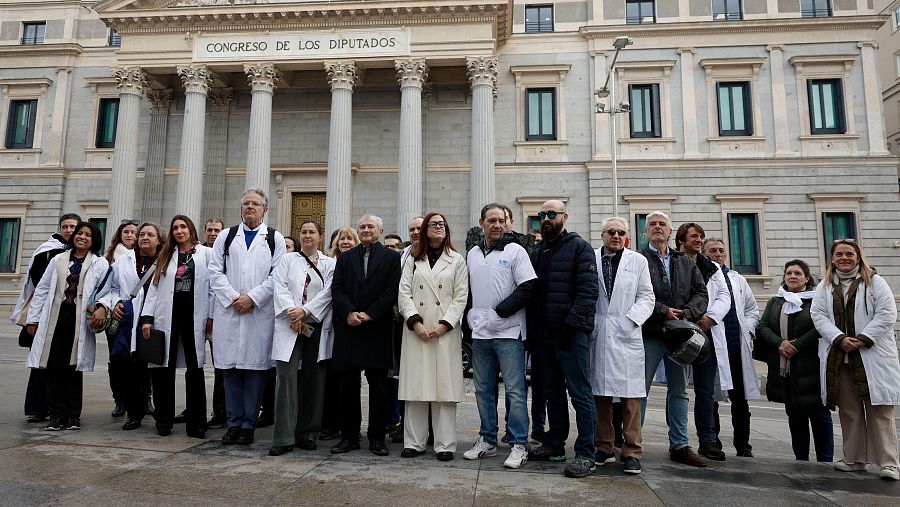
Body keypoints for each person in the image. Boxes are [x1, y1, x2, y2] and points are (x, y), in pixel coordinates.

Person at [812, 240, 900, 481]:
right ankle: (855, 459)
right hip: (842, 357)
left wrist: (863, 338)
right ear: (832, 258)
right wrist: (839, 338)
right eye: (839, 254)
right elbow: (817, 315)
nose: (844, 258)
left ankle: (889, 463)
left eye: (849, 254)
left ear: (858, 257)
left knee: (880, 410)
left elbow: (887, 313)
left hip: (871, 355)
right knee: (850, 411)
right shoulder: (825, 286)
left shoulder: (875, 282)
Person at [525, 200, 600, 478]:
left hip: (570, 334)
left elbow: (588, 291)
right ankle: (555, 444)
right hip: (543, 337)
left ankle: (585, 454)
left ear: (564, 217)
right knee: (552, 393)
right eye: (542, 215)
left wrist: (572, 325)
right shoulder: (537, 251)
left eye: (551, 214)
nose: (546, 218)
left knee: (580, 393)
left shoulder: (579, 247)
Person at [209, 188, 286, 446]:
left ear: (265, 209)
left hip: (258, 314)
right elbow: (215, 272)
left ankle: (248, 425)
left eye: (255, 204)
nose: (250, 207)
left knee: (255, 371)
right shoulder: (226, 236)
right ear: (240, 208)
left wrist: (252, 298)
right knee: (230, 371)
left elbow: (277, 276)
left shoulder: (275, 239)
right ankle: (233, 423)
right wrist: (234, 297)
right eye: (246, 204)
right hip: (230, 312)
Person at [463, 204, 536, 469]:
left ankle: (519, 444)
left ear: (508, 223)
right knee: (483, 389)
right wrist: (469, 315)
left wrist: (500, 312)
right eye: (491, 220)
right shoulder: (472, 253)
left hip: (508, 331)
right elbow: (468, 288)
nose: (496, 225)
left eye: (501, 220)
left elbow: (528, 286)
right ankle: (487, 440)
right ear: (482, 222)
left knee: (515, 390)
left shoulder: (516, 251)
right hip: (481, 333)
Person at [639, 211, 709, 468]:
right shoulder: (638, 259)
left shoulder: (686, 262)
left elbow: (702, 293)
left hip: (681, 335)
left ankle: (679, 445)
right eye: (652, 225)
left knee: (679, 391)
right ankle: (633, 444)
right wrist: (662, 310)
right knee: (640, 391)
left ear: (670, 233)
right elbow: (634, 293)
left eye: (662, 225)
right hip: (651, 332)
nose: (657, 228)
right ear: (645, 232)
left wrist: (687, 314)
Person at [396, 212, 468, 461]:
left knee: (444, 387)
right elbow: (403, 293)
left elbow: (461, 297)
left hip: (444, 331)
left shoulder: (457, 260)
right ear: (425, 229)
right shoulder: (413, 259)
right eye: (433, 224)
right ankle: (414, 442)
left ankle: (445, 444)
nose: (438, 227)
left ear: (447, 230)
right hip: (417, 330)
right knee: (416, 386)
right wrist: (414, 322)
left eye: (442, 224)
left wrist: (445, 324)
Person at [25, 222, 109, 431]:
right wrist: (33, 319)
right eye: (79, 233)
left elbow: (106, 291)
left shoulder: (100, 263)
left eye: (87, 235)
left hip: (78, 320)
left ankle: (73, 416)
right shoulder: (58, 260)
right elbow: (42, 290)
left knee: (73, 367)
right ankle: (55, 415)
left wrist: (101, 308)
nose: (82, 237)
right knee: (54, 367)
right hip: (55, 319)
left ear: (94, 239)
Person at [330, 214, 402, 456]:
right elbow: (337, 288)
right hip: (349, 328)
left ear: (380, 231)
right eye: (362, 227)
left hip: (376, 329)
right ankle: (349, 436)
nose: (366, 230)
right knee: (347, 387)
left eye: (371, 226)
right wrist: (349, 312)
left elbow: (392, 290)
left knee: (379, 387)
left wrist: (370, 314)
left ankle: (377, 438)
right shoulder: (346, 257)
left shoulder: (392, 258)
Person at [589, 217, 655, 475]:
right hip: (599, 331)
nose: (616, 236)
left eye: (621, 232)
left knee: (630, 396)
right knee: (601, 394)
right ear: (603, 234)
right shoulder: (591, 258)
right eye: (610, 232)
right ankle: (604, 446)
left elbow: (647, 296)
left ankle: (631, 450)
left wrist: (630, 320)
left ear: (627, 236)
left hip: (627, 331)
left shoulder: (638, 261)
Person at [140, 216, 212, 438]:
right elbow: (154, 289)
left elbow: (213, 287)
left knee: (195, 369)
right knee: (164, 369)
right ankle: (164, 421)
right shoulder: (166, 255)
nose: (180, 231)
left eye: (183, 227)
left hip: (194, 316)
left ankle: (197, 423)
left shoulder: (206, 254)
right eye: (175, 228)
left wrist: (211, 315)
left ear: (191, 229)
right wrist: (147, 318)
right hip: (167, 316)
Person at [269, 221, 336, 456]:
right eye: (304, 232)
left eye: (312, 232)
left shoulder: (330, 264)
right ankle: (283, 436)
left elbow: (329, 292)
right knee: (286, 379)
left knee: (314, 381)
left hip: (315, 327)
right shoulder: (287, 260)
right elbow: (280, 287)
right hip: (290, 325)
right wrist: (293, 312)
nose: (307, 236)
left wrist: (305, 312)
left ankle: (307, 433)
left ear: (320, 236)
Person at [757, 259, 833, 462]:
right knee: (795, 415)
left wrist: (797, 345)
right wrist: (780, 343)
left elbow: (821, 326)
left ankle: (825, 459)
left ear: (807, 278)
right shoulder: (776, 301)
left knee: (819, 415)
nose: (792, 276)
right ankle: (801, 458)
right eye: (789, 273)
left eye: (798, 273)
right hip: (786, 368)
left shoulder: (818, 300)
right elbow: (763, 326)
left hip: (812, 366)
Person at [12, 212, 80, 423]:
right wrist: (34, 318)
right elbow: (38, 285)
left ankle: (60, 408)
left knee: (65, 363)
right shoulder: (47, 251)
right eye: (66, 226)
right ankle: (36, 408)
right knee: (41, 362)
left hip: (68, 317)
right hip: (45, 314)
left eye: (73, 227)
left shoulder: (83, 255)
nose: (69, 230)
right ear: (60, 228)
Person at [97, 222, 165, 431]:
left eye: (150, 235)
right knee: (130, 366)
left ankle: (156, 408)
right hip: (129, 319)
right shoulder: (123, 261)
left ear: (159, 240)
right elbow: (112, 287)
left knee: (154, 366)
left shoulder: (166, 261)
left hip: (156, 318)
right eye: (141, 234)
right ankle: (133, 413)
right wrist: (115, 303)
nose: (144, 237)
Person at [675, 223, 732, 462]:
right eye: (694, 237)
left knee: (705, 390)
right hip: (678, 332)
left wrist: (710, 318)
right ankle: (677, 442)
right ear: (681, 240)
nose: (698, 240)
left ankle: (708, 440)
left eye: (701, 237)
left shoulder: (712, 268)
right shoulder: (673, 262)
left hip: (705, 332)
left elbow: (723, 296)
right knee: (677, 390)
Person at [702, 238, 760, 457]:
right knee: (712, 397)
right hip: (714, 345)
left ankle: (743, 444)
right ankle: (712, 441)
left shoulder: (737, 279)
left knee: (740, 399)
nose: (718, 254)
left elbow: (752, 310)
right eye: (713, 250)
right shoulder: (702, 276)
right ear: (705, 254)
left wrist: (749, 330)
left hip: (737, 346)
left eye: (721, 250)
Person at [319, 226, 360, 441]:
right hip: (327, 324)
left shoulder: (358, 263)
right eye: (341, 239)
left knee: (344, 379)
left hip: (347, 326)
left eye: (349, 239)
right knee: (328, 379)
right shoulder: (327, 263)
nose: (345, 242)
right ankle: (328, 423)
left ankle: (346, 426)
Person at [102, 218, 139, 418]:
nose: (130, 235)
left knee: (141, 358)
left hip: (138, 315)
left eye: (134, 232)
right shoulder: (109, 258)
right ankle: (120, 399)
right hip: (117, 315)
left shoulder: (146, 257)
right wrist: (116, 302)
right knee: (116, 358)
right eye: (126, 232)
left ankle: (144, 398)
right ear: (120, 234)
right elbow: (109, 287)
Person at [202, 217, 226, 429]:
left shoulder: (226, 255)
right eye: (210, 230)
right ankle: (196, 407)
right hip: (197, 316)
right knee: (195, 365)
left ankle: (221, 410)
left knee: (221, 366)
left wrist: (211, 315)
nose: (213, 234)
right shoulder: (198, 253)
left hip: (218, 317)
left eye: (217, 230)